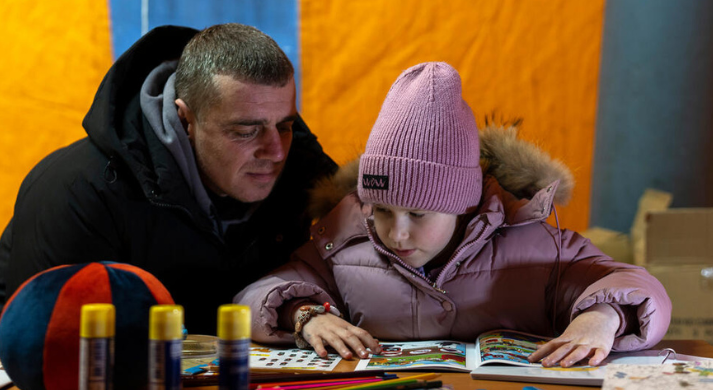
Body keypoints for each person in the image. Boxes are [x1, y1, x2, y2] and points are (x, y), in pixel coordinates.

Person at [235, 62, 671, 367]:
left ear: (463, 203)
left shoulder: (537, 246)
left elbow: (633, 284)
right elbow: (257, 294)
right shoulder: (342, 241)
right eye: (382, 209)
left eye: (419, 213)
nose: (396, 233)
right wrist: (305, 314)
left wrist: (602, 318)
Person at [0, 24, 337, 336]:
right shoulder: (76, 190)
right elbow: (47, 345)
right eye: (244, 131)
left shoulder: (304, 174)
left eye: (285, 125)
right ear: (186, 119)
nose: (275, 151)